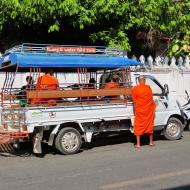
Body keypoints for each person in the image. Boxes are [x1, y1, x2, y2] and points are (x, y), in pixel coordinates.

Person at [131, 75, 156, 148]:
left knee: (138, 126)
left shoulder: (135, 89)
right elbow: (151, 100)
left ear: (138, 81)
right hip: (148, 111)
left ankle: (138, 144)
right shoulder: (148, 88)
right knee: (150, 125)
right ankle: (151, 142)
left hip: (140, 111)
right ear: (144, 80)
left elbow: (134, 100)